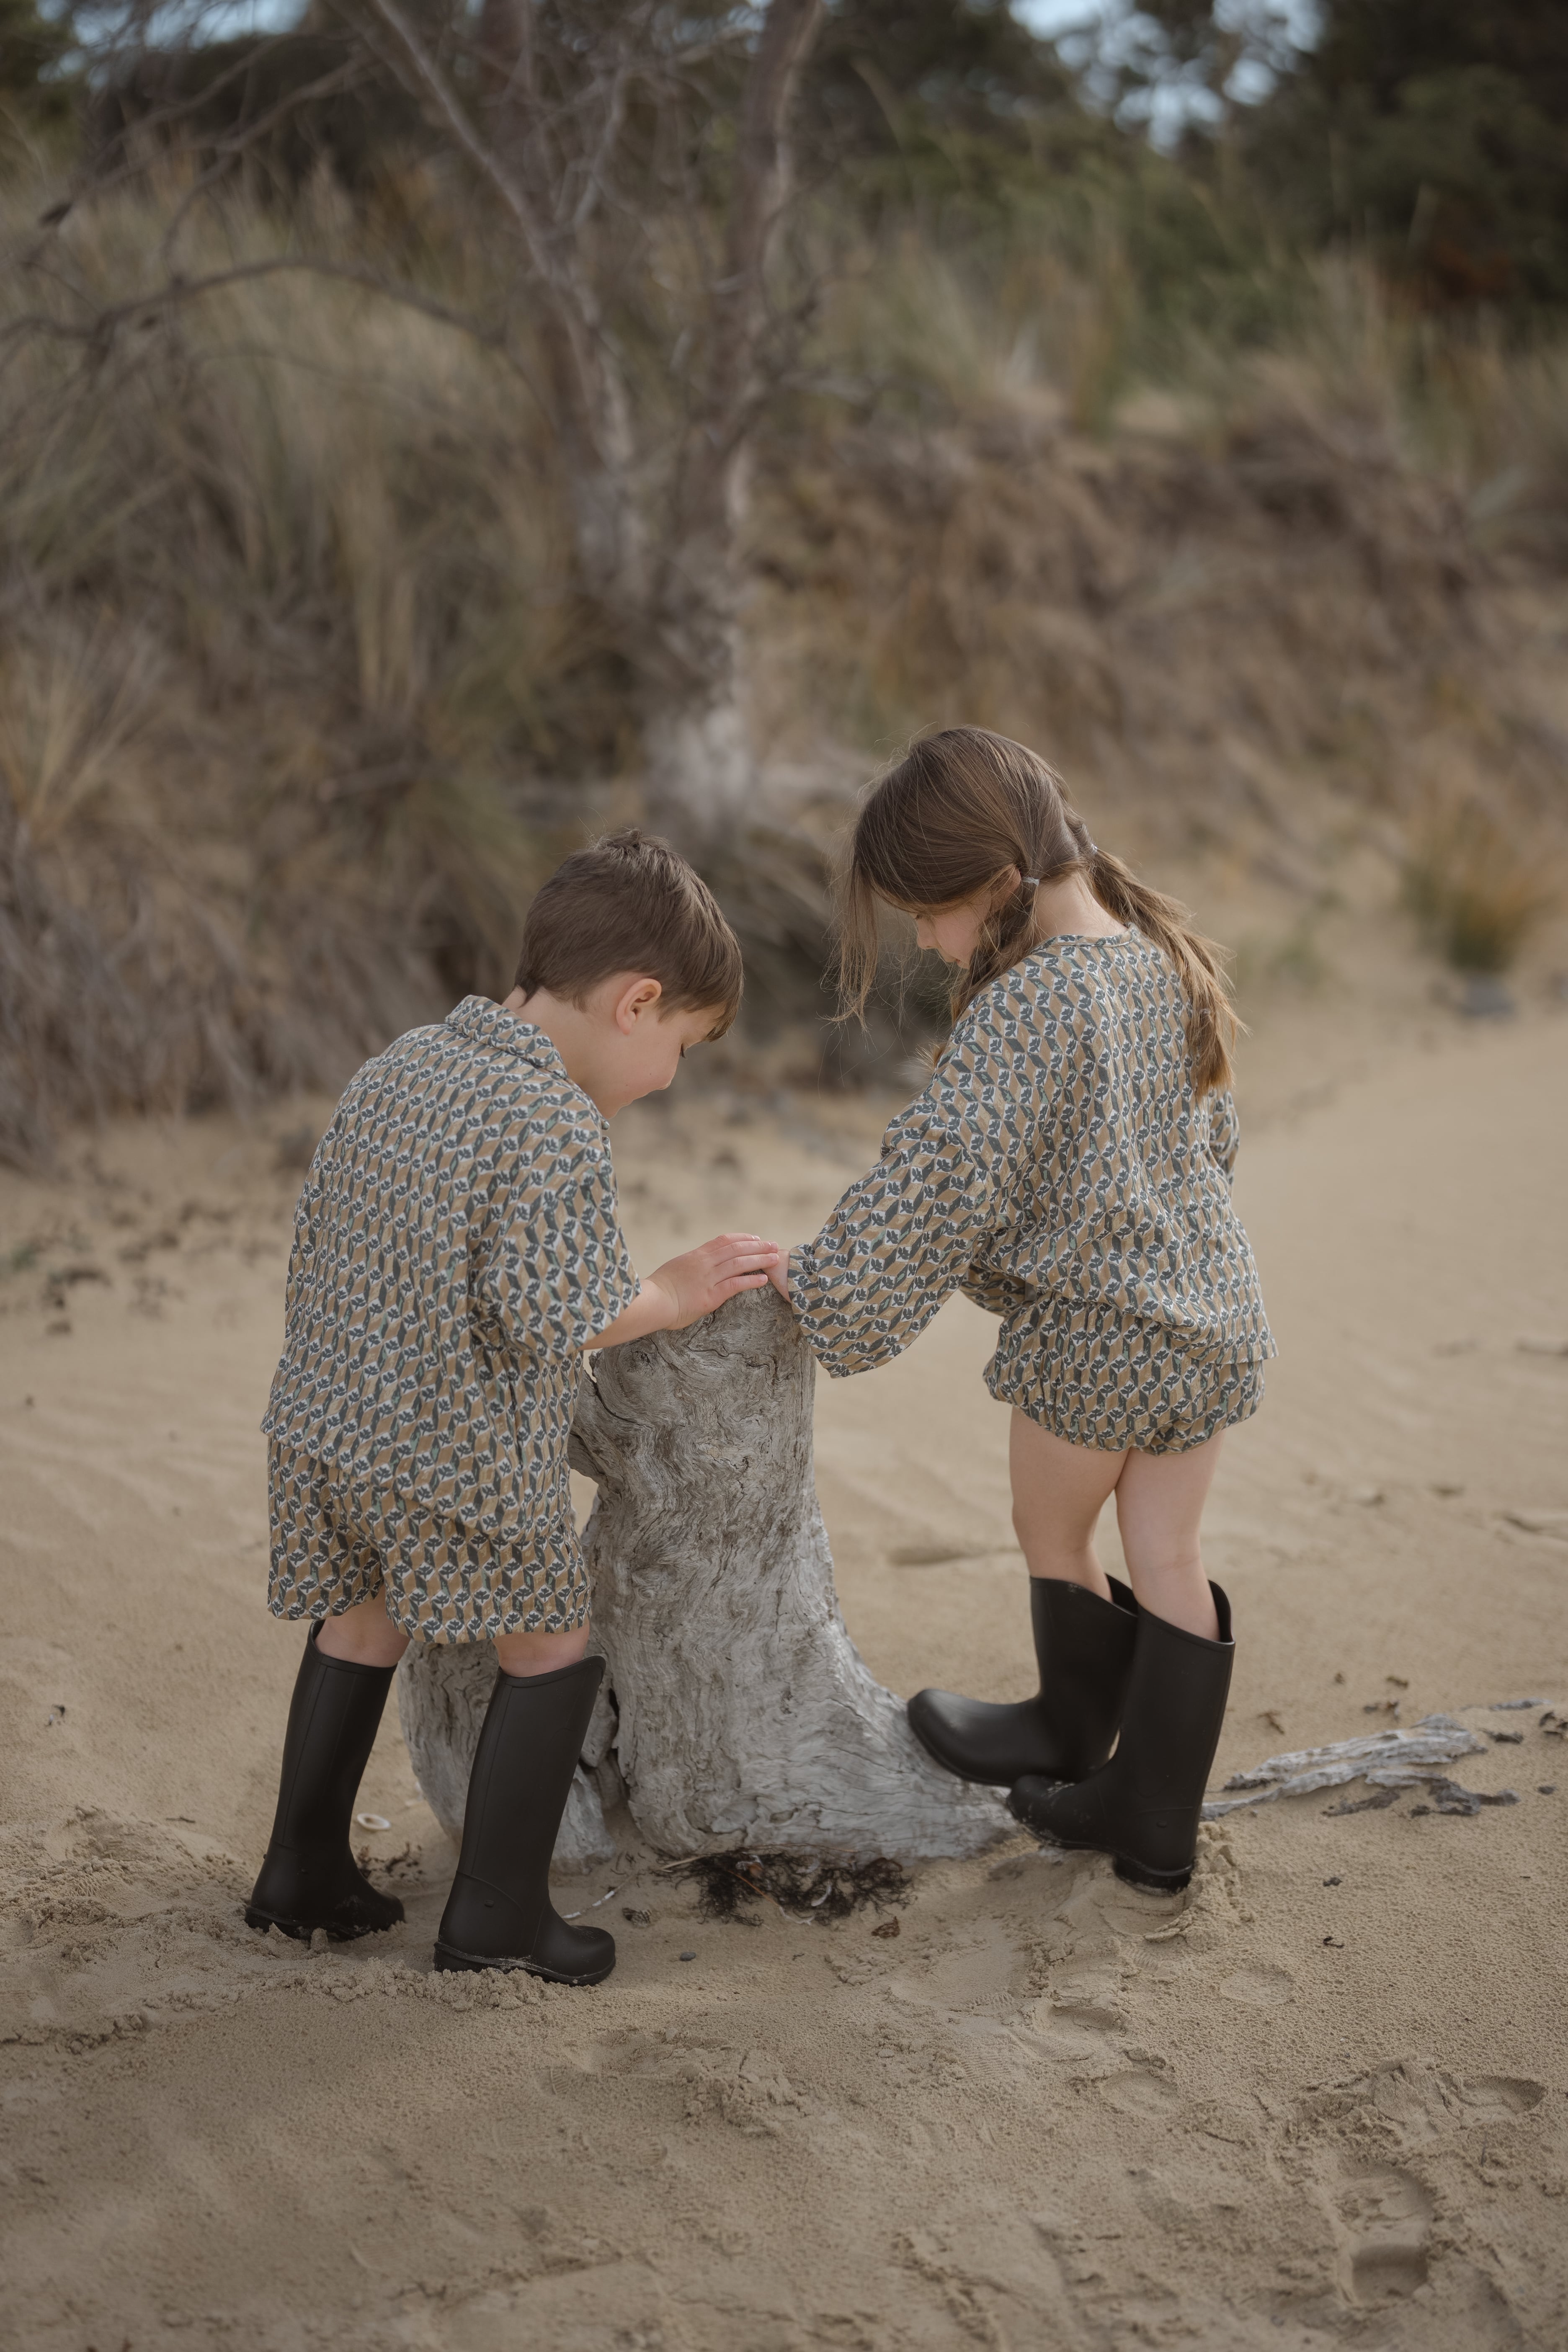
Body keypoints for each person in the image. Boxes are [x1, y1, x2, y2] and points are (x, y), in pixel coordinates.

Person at [247, 831, 779, 1983]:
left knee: (361, 1618)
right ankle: (495, 1919)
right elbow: (560, 1309)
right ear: (638, 1003)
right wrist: (673, 1290)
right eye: (681, 1047)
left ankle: (299, 1870)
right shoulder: (550, 1118)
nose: (670, 1077)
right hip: (457, 1455)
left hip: (326, 1426)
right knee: (549, 1641)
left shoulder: (400, 1064)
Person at [769, 729, 1274, 1892]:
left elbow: (943, 1170)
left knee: (1054, 1537)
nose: (926, 942)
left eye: (928, 914)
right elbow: (1212, 1140)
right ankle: (1154, 1822)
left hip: (1098, 1344)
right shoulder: (1155, 958)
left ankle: (1065, 1729)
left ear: (999, 883)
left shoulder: (1032, 1004)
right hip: (1211, 1318)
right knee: (1170, 1555)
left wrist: (828, 1281)